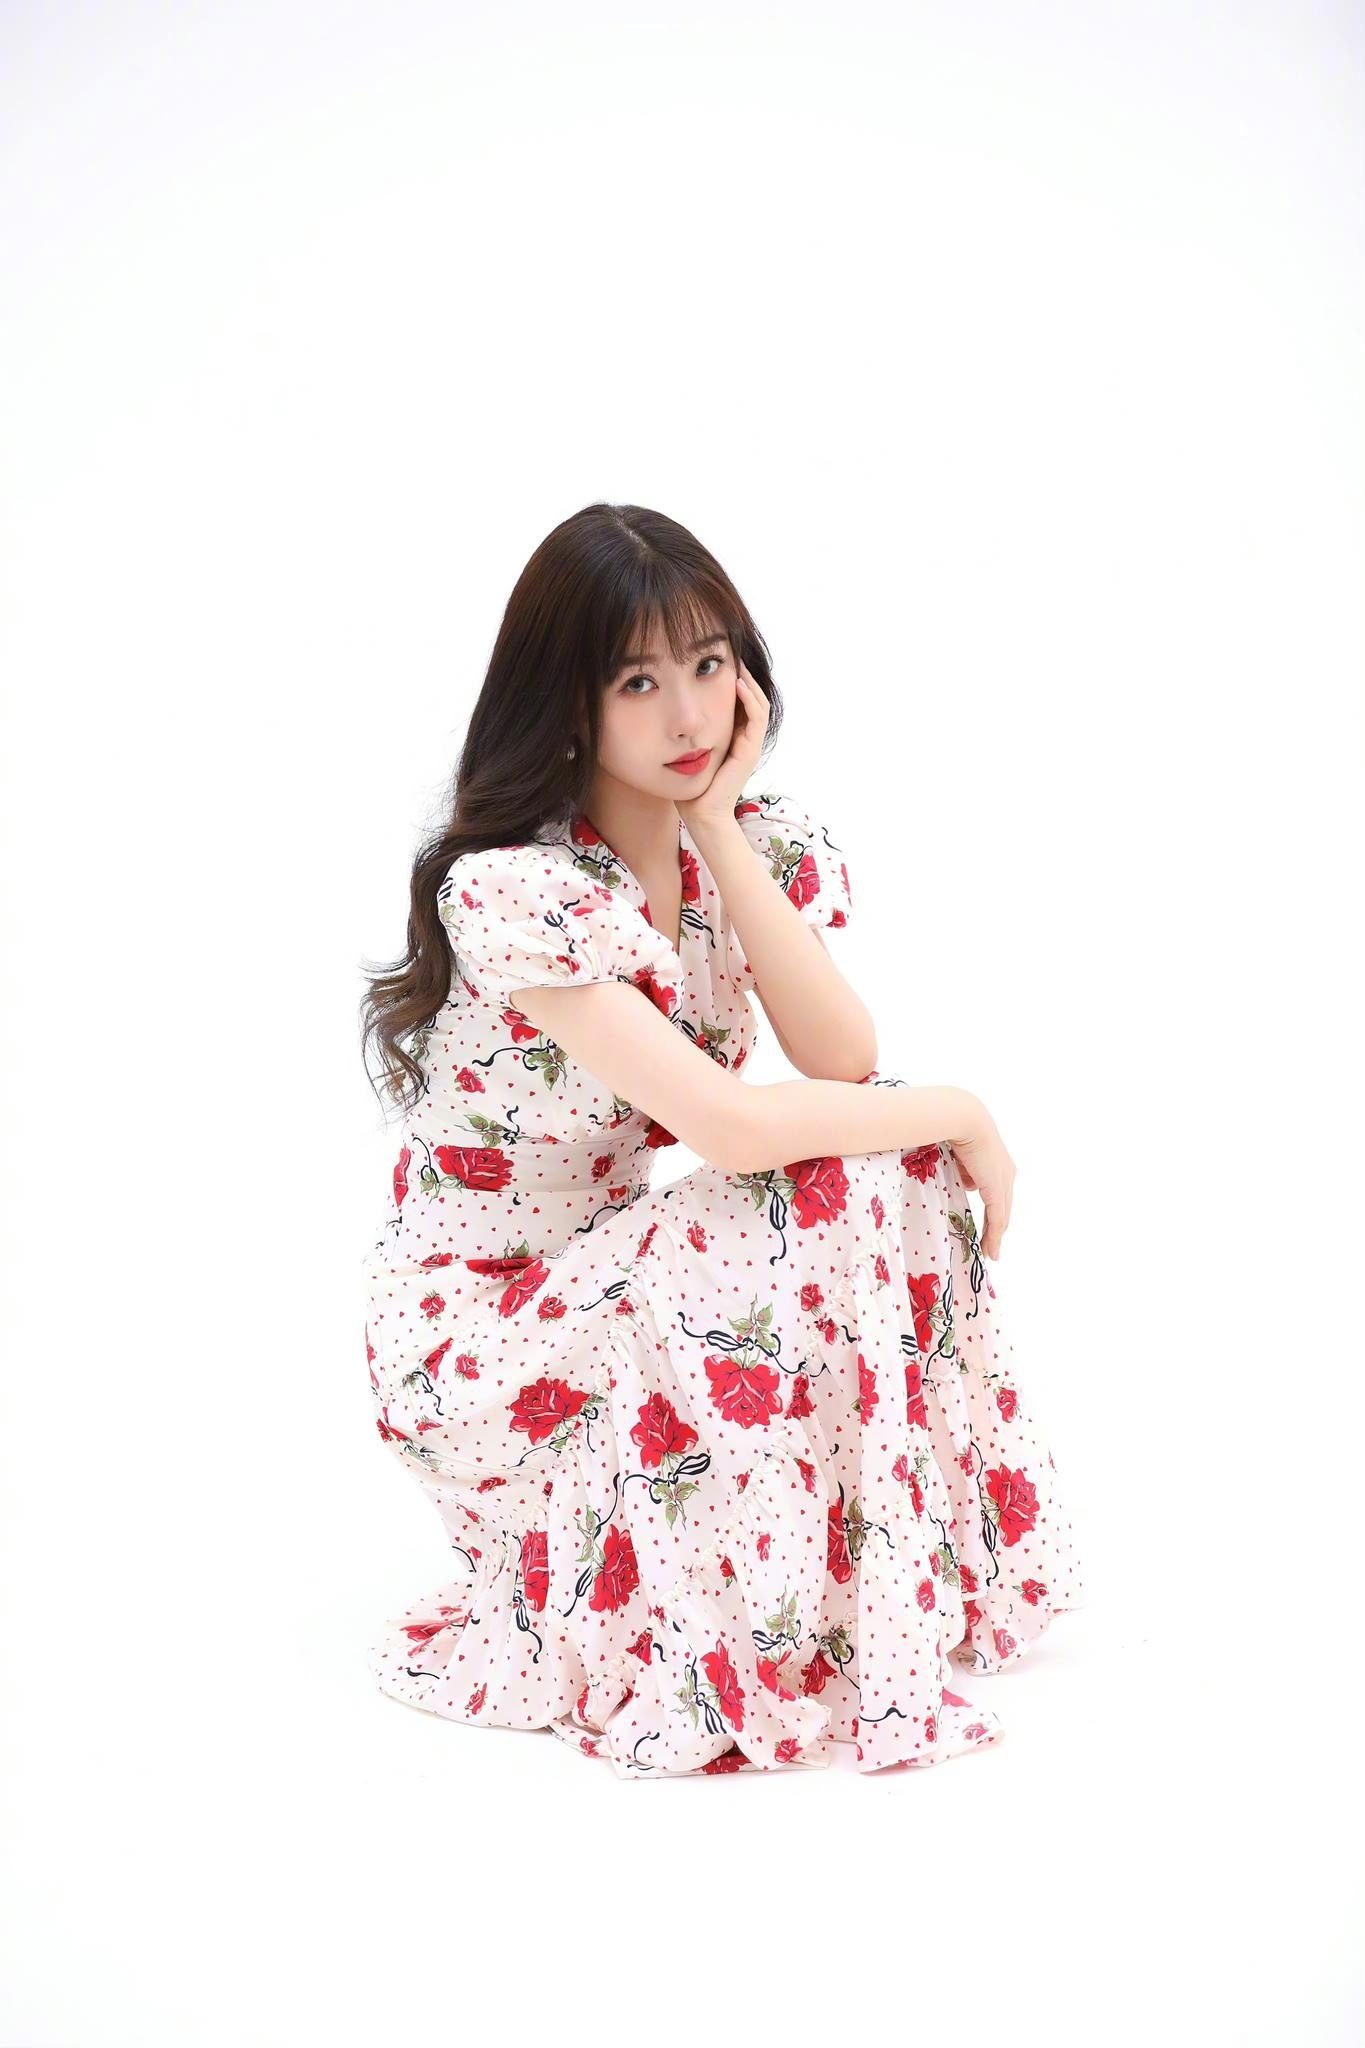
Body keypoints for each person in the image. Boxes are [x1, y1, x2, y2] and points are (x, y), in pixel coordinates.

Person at [358, 501, 1086, 1779]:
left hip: (614, 1285)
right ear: (570, 702)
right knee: (878, 1146)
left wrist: (716, 825)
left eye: (707, 664)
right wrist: (965, 1108)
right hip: (481, 1341)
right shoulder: (518, 890)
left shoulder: (741, 849)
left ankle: (871, 1582)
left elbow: (840, 1056)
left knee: (885, 1150)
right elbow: (733, 1126)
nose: (690, 714)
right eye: (638, 681)